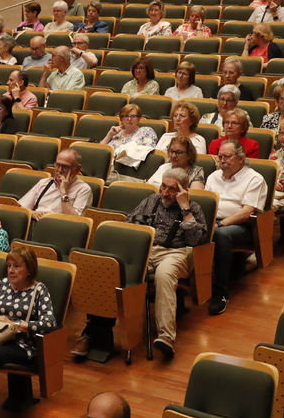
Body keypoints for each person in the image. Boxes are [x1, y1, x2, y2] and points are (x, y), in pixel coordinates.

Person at [126, 169, 206, 359]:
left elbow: (195, 240)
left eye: (172, 189)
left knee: (164, 275)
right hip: (145, 249)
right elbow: (129, 222)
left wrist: (185, 208)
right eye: (164, 187)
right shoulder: (151, 200)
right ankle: (115, 329)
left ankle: (166, 337)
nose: (165, 193)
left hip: (175, 253)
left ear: (183, 190)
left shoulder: (193, 208)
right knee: (122, 270)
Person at [0, 246, 57, 412]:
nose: (11, 270)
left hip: (22, 344)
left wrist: (16, 324)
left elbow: (49, 323)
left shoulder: (39, 290)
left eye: (17, 266)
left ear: (29, 269)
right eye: (9, 266)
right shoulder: (3, 284)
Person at [206, 140, 268, 315]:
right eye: (220, 157)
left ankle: (220, 292)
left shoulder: (254, 178)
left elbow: (247, 212)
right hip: (213, 221)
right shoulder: (213, 176)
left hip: (241, 226)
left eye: (227, 156)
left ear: (241, 158)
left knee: (221, 235)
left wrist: (220, 224)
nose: (222, 160)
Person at [17, 149, 91, 218]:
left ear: (77, 169)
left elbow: (75, 220)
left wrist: (63, 192)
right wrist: (32, 213)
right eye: (58, 165)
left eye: (65, 167)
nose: (59, 170)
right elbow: (21, 209)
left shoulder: (83, 189)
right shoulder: (44, 183)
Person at [102, 104, 160, 181]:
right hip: (109, 172)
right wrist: (109, 135)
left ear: (139, 119)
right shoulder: (116, 133)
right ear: (121, 119)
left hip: (131, 174)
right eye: (125, 116)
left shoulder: (146, 131)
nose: (129, 119)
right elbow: (100, 152)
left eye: (133, 116)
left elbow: (148, 152)